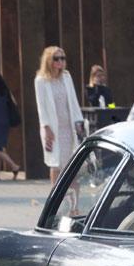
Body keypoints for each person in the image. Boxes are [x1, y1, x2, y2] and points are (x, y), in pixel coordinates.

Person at [34, 46, 84, 184]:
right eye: (56, 58)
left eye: (62, 58)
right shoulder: (41, 80)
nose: (60, 61)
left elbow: (73, 101)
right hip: (52, 127)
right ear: (49, 60)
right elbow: (41, 106)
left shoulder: (66, 77)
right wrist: (46, 126)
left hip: (68, 126)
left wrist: (78, 121)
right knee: (55, 163)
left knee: (72, 163)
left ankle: (74, 203)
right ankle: (55, 201)